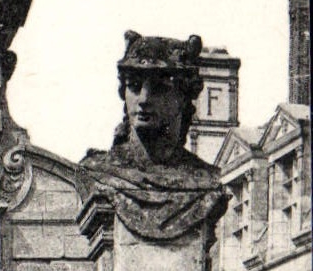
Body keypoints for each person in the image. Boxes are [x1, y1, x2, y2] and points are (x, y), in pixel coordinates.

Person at [76, 31, 228, 242]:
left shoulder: (207, 180)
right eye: (135, 86)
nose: (144, 99)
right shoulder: (96, 171)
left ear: (183, 98)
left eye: (159, 88)